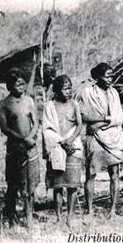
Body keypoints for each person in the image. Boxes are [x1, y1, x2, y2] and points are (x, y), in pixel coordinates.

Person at [78, 62, 123, 217]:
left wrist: (101, 121)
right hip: (96, 137)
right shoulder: (88, 93)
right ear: (98, 77)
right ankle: (90, 209)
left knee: (114, 173)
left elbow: (119, 117)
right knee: (91, 173)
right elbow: (84, 115)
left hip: (114, 136)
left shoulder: (114, 93)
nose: (110, 79)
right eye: (107, 76)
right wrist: (105, 120)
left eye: (111, 76)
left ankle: (113, 209)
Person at [0, 69, 40, 227]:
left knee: (30, 184)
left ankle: (29, 216)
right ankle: (11, 215)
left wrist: (31, 138)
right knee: (13, 184)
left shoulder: (29, 101)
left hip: (30, 147)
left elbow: (36, 122)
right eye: (17, 83)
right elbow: (5, 128)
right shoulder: (3, 104)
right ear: (9, 85)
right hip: (15, 148)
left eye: (23, 83)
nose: (21, 86)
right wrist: (23, 139)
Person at [42, 75, 83, 225]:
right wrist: (61, 142)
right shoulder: (50, 106)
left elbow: (79, 125)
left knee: (72, 185)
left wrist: (70, 141)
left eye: (70, 88)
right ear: (58, 90)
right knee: (58, 185)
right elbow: (47, 129)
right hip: (57, 145)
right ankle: (59, 216)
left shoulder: (74, 104)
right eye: (65, 88)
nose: (69, 91)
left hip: (73, 146)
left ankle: (70, 216)